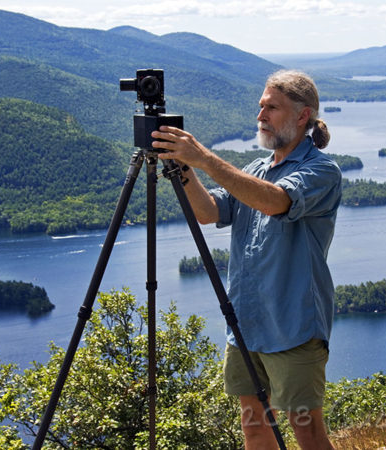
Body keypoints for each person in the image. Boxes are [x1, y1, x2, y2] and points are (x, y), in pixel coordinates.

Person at [151, 69, 342, 450]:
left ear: (302, 116)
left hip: (293, 324)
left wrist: (205, 157)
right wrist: (183, 166)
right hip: (247, 325)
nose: (261, 115)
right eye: (260, 107)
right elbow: (208, 212)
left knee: (306, 431)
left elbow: (276, 201)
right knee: (255, 428)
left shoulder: (321, 170)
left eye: (272, 107)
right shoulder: (255, 169)